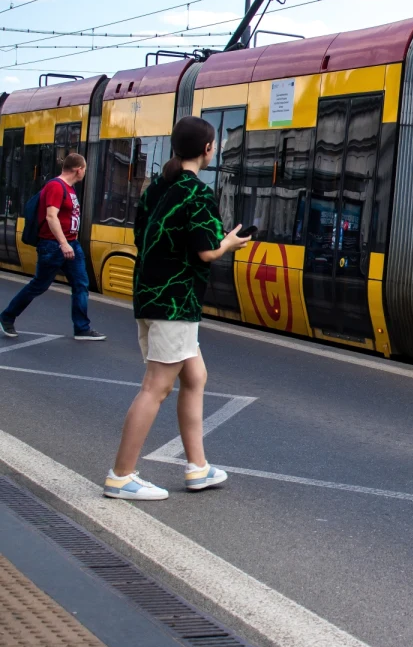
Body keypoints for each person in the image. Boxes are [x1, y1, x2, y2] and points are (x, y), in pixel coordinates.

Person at [103, 117, 250, 500]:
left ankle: (198, 468)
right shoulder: (196, 193)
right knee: (156, 387)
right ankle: (121, 475)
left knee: (195, 376)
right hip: (176, 300)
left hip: (150, 294)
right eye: (213, 144)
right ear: (207, 149)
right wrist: (230, 244)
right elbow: (206, 250)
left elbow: (143, 236)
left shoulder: (158, 188)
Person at [0, 153, 104, 341]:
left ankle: (82, 328)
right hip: (54, 245)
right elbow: (51, 216)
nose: (85, 173)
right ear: (78, 169)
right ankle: (7, 317)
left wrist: (70, 242)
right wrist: (63, 243)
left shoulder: (69, 189)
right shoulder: (56, 186)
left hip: (72, 244)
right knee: (39, 285)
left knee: (81, 284)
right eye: (85, 170)